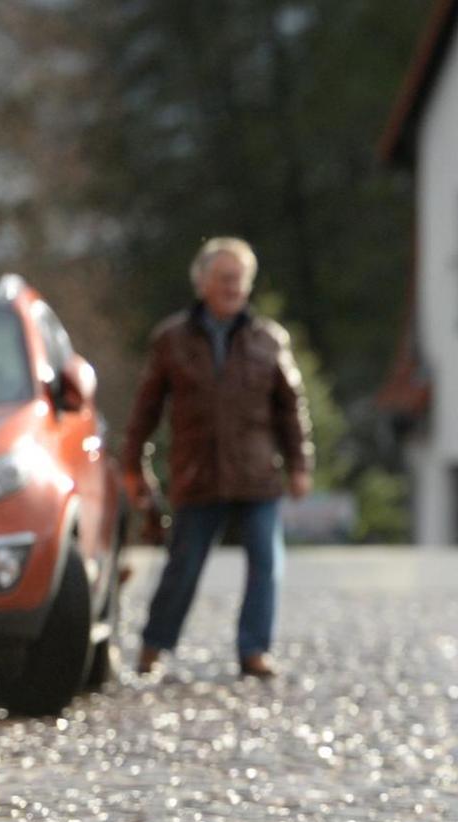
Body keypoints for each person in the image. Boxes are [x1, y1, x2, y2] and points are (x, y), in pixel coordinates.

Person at [124, 237, 313, 680]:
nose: (234, 287)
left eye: (240, 279)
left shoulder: (268, 339)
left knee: (266, 563)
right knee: (184, 566)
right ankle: (155, 644)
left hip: (257, 474)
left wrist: (299, 464)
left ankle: (254, 650)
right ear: (203, 283)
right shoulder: (171, 340)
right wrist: (134, 465)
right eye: (225, 278)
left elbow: (291, 408)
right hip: (198, 473)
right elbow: (145, 411)